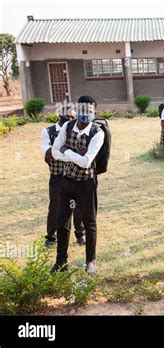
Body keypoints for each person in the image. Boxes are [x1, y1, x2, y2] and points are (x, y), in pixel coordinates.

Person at [51, 95, 105, 274]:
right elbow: (54, 151)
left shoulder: (98, 133)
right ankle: (60, 262)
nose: (84, 114)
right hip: (67, 182)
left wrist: (67, 150)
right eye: (81, 110)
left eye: (88, 111)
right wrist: (74, 154)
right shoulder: (67, 126)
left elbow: (86, 162)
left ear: (94, 113)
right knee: (62, 221)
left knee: (89, 222)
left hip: (86, 184)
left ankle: (90, 262)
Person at [41, 108, 85, 247]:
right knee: (55, 206)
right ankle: (51, 236)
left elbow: (84, 152)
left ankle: (80, 234)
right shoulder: (48, 132)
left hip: (75, 173)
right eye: (68, 117)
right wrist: (69, 151)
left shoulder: (77, 130)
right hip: (57, 175)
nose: (71, 120)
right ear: (60, 116)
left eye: (73, 117)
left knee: (78, 205)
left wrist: (63, 151)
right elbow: (48, 153)